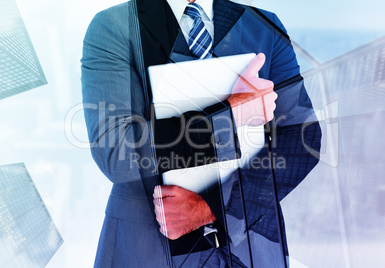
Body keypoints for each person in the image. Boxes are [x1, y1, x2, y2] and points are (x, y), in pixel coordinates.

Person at [81, 0, 321, 266]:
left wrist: (210, 208)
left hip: (250, 247)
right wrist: (232, 114)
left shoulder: (265, 26)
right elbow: (114, 151)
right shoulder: (113, 27)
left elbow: (303, 141)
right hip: (149, 247)